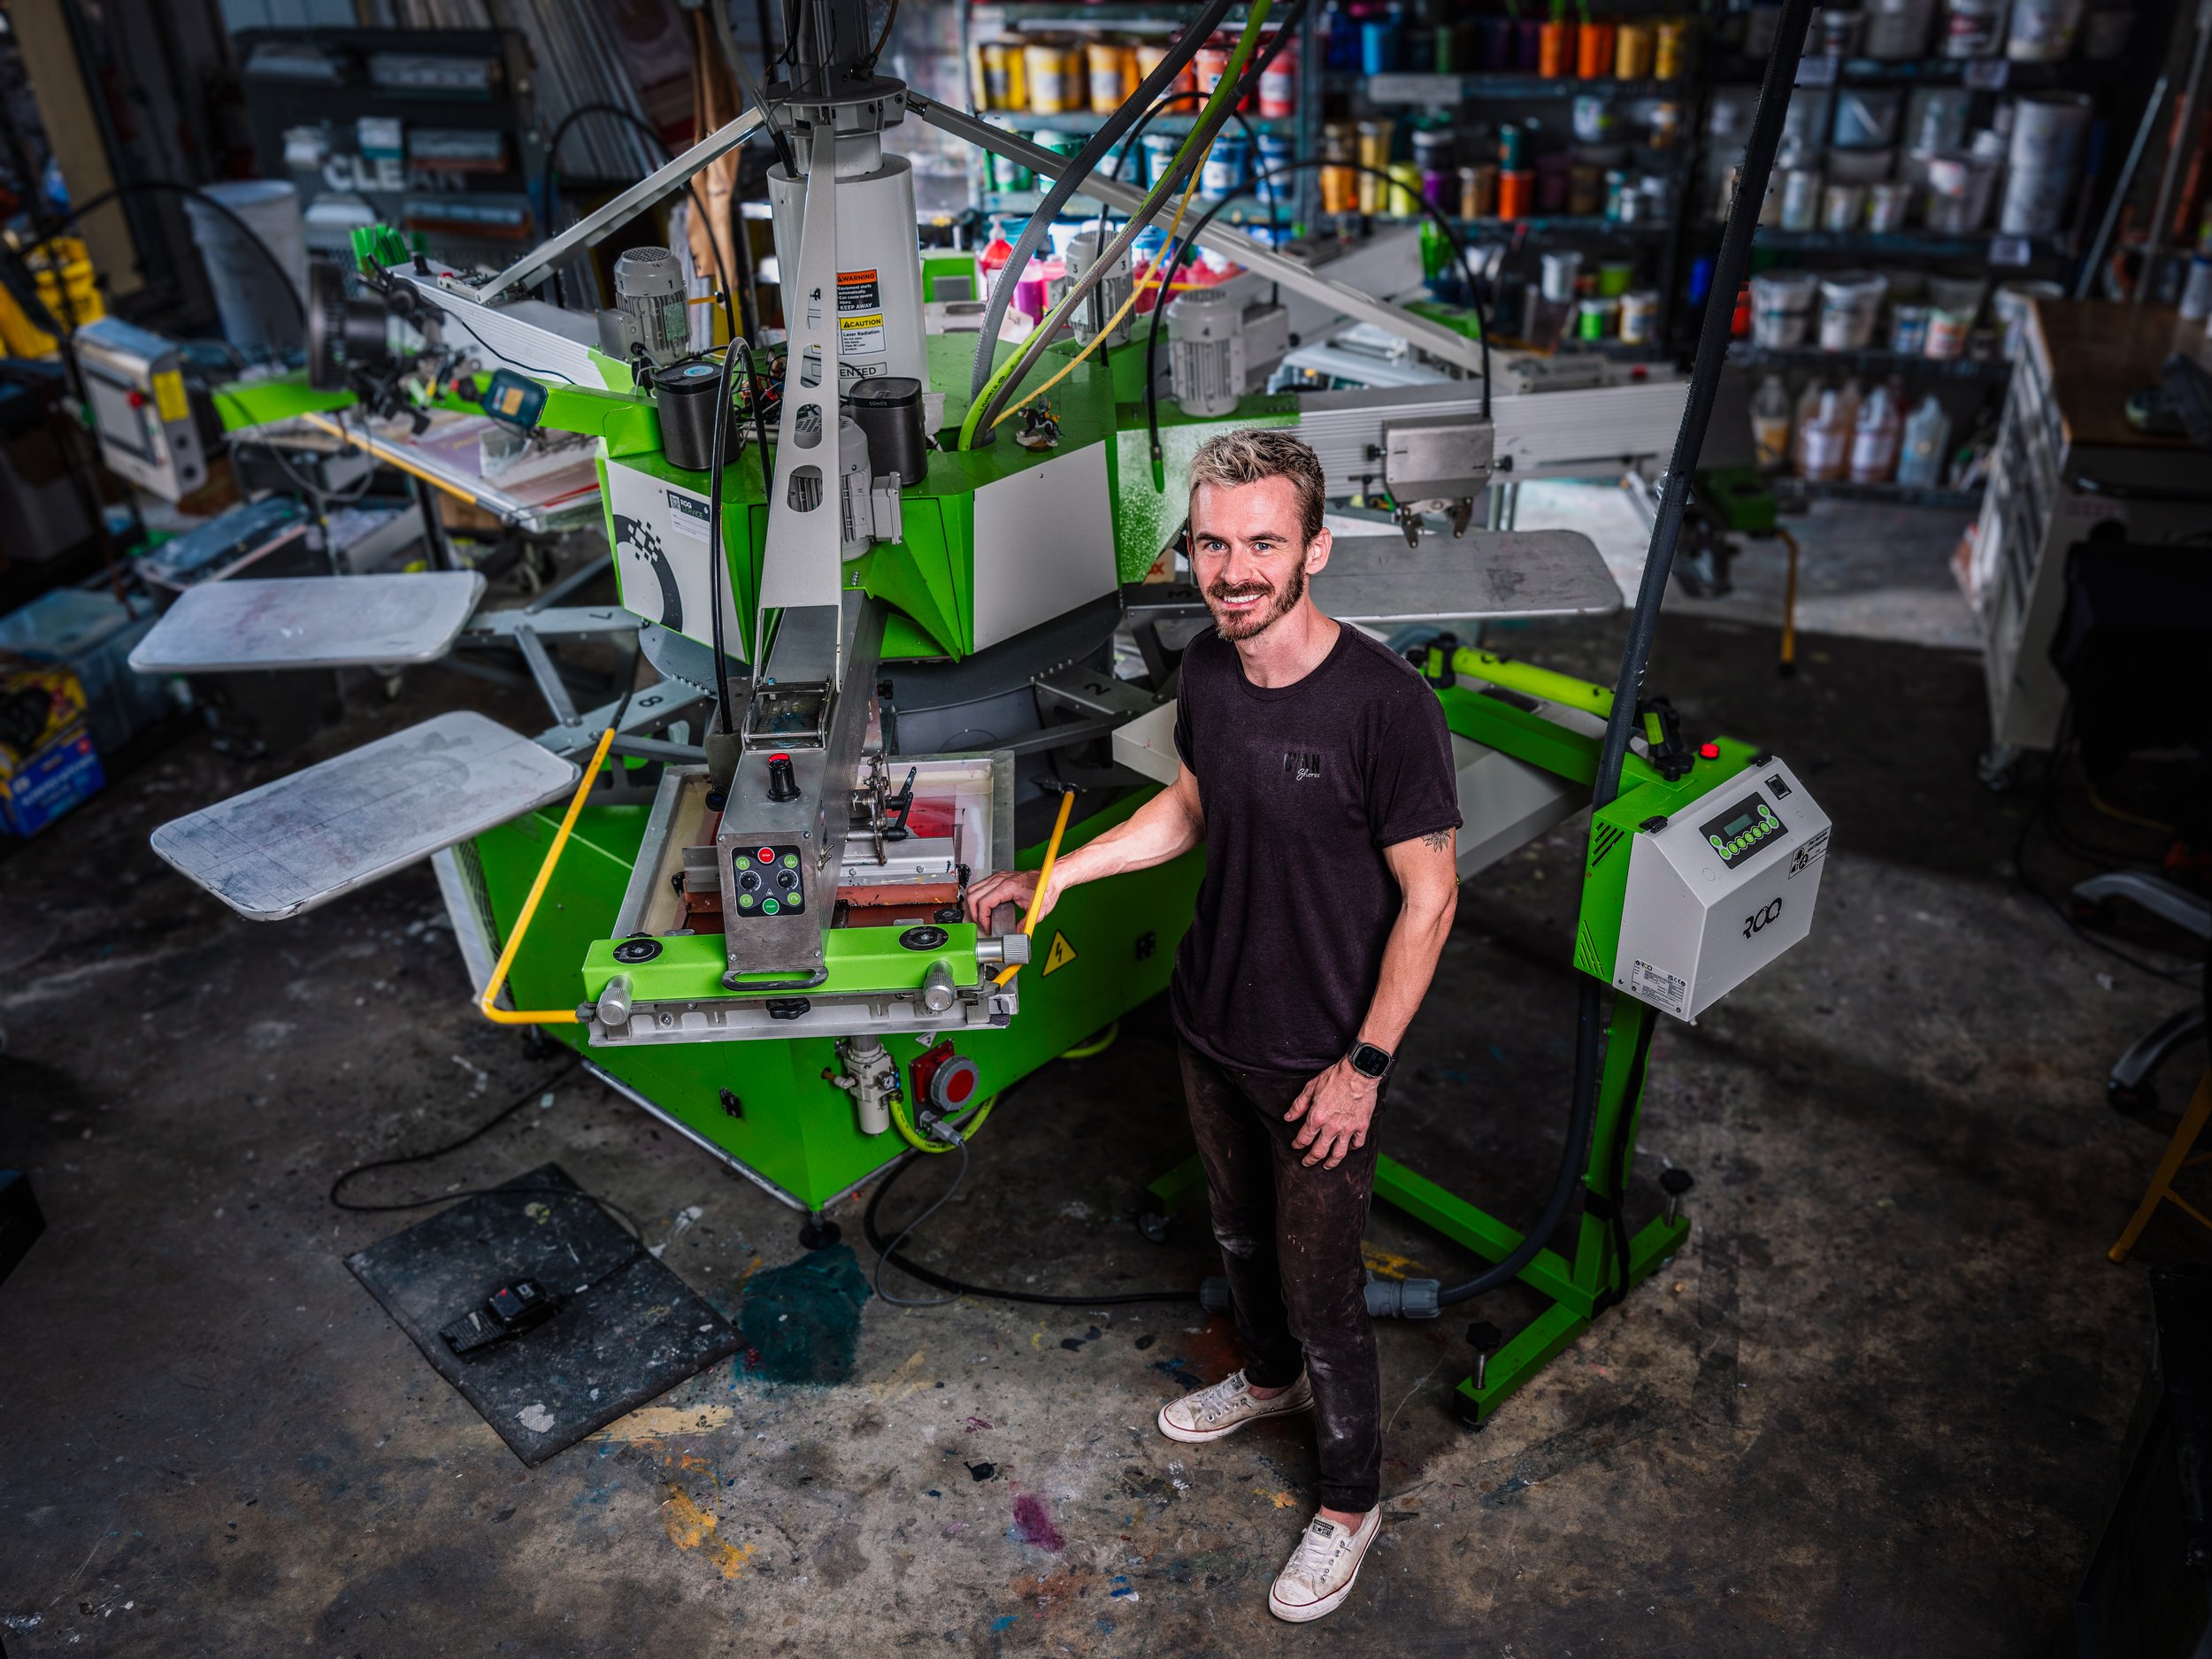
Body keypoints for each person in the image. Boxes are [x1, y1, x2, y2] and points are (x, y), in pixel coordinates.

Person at [966, 427, 1461, 1623]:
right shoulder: (1207, 667)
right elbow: (1192, 804)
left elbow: (1433, 895)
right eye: (1213, 544)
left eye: (1262, 544)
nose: (1232, 569)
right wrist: (1057, 879)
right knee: (1237, 1240)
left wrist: (1365, 1068)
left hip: (1318, 1062)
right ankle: (1268, 1377)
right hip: (1212, 1020)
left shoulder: (1385, 707)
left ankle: (1350, 1502)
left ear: (1317, 550)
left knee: (1326, 1289)